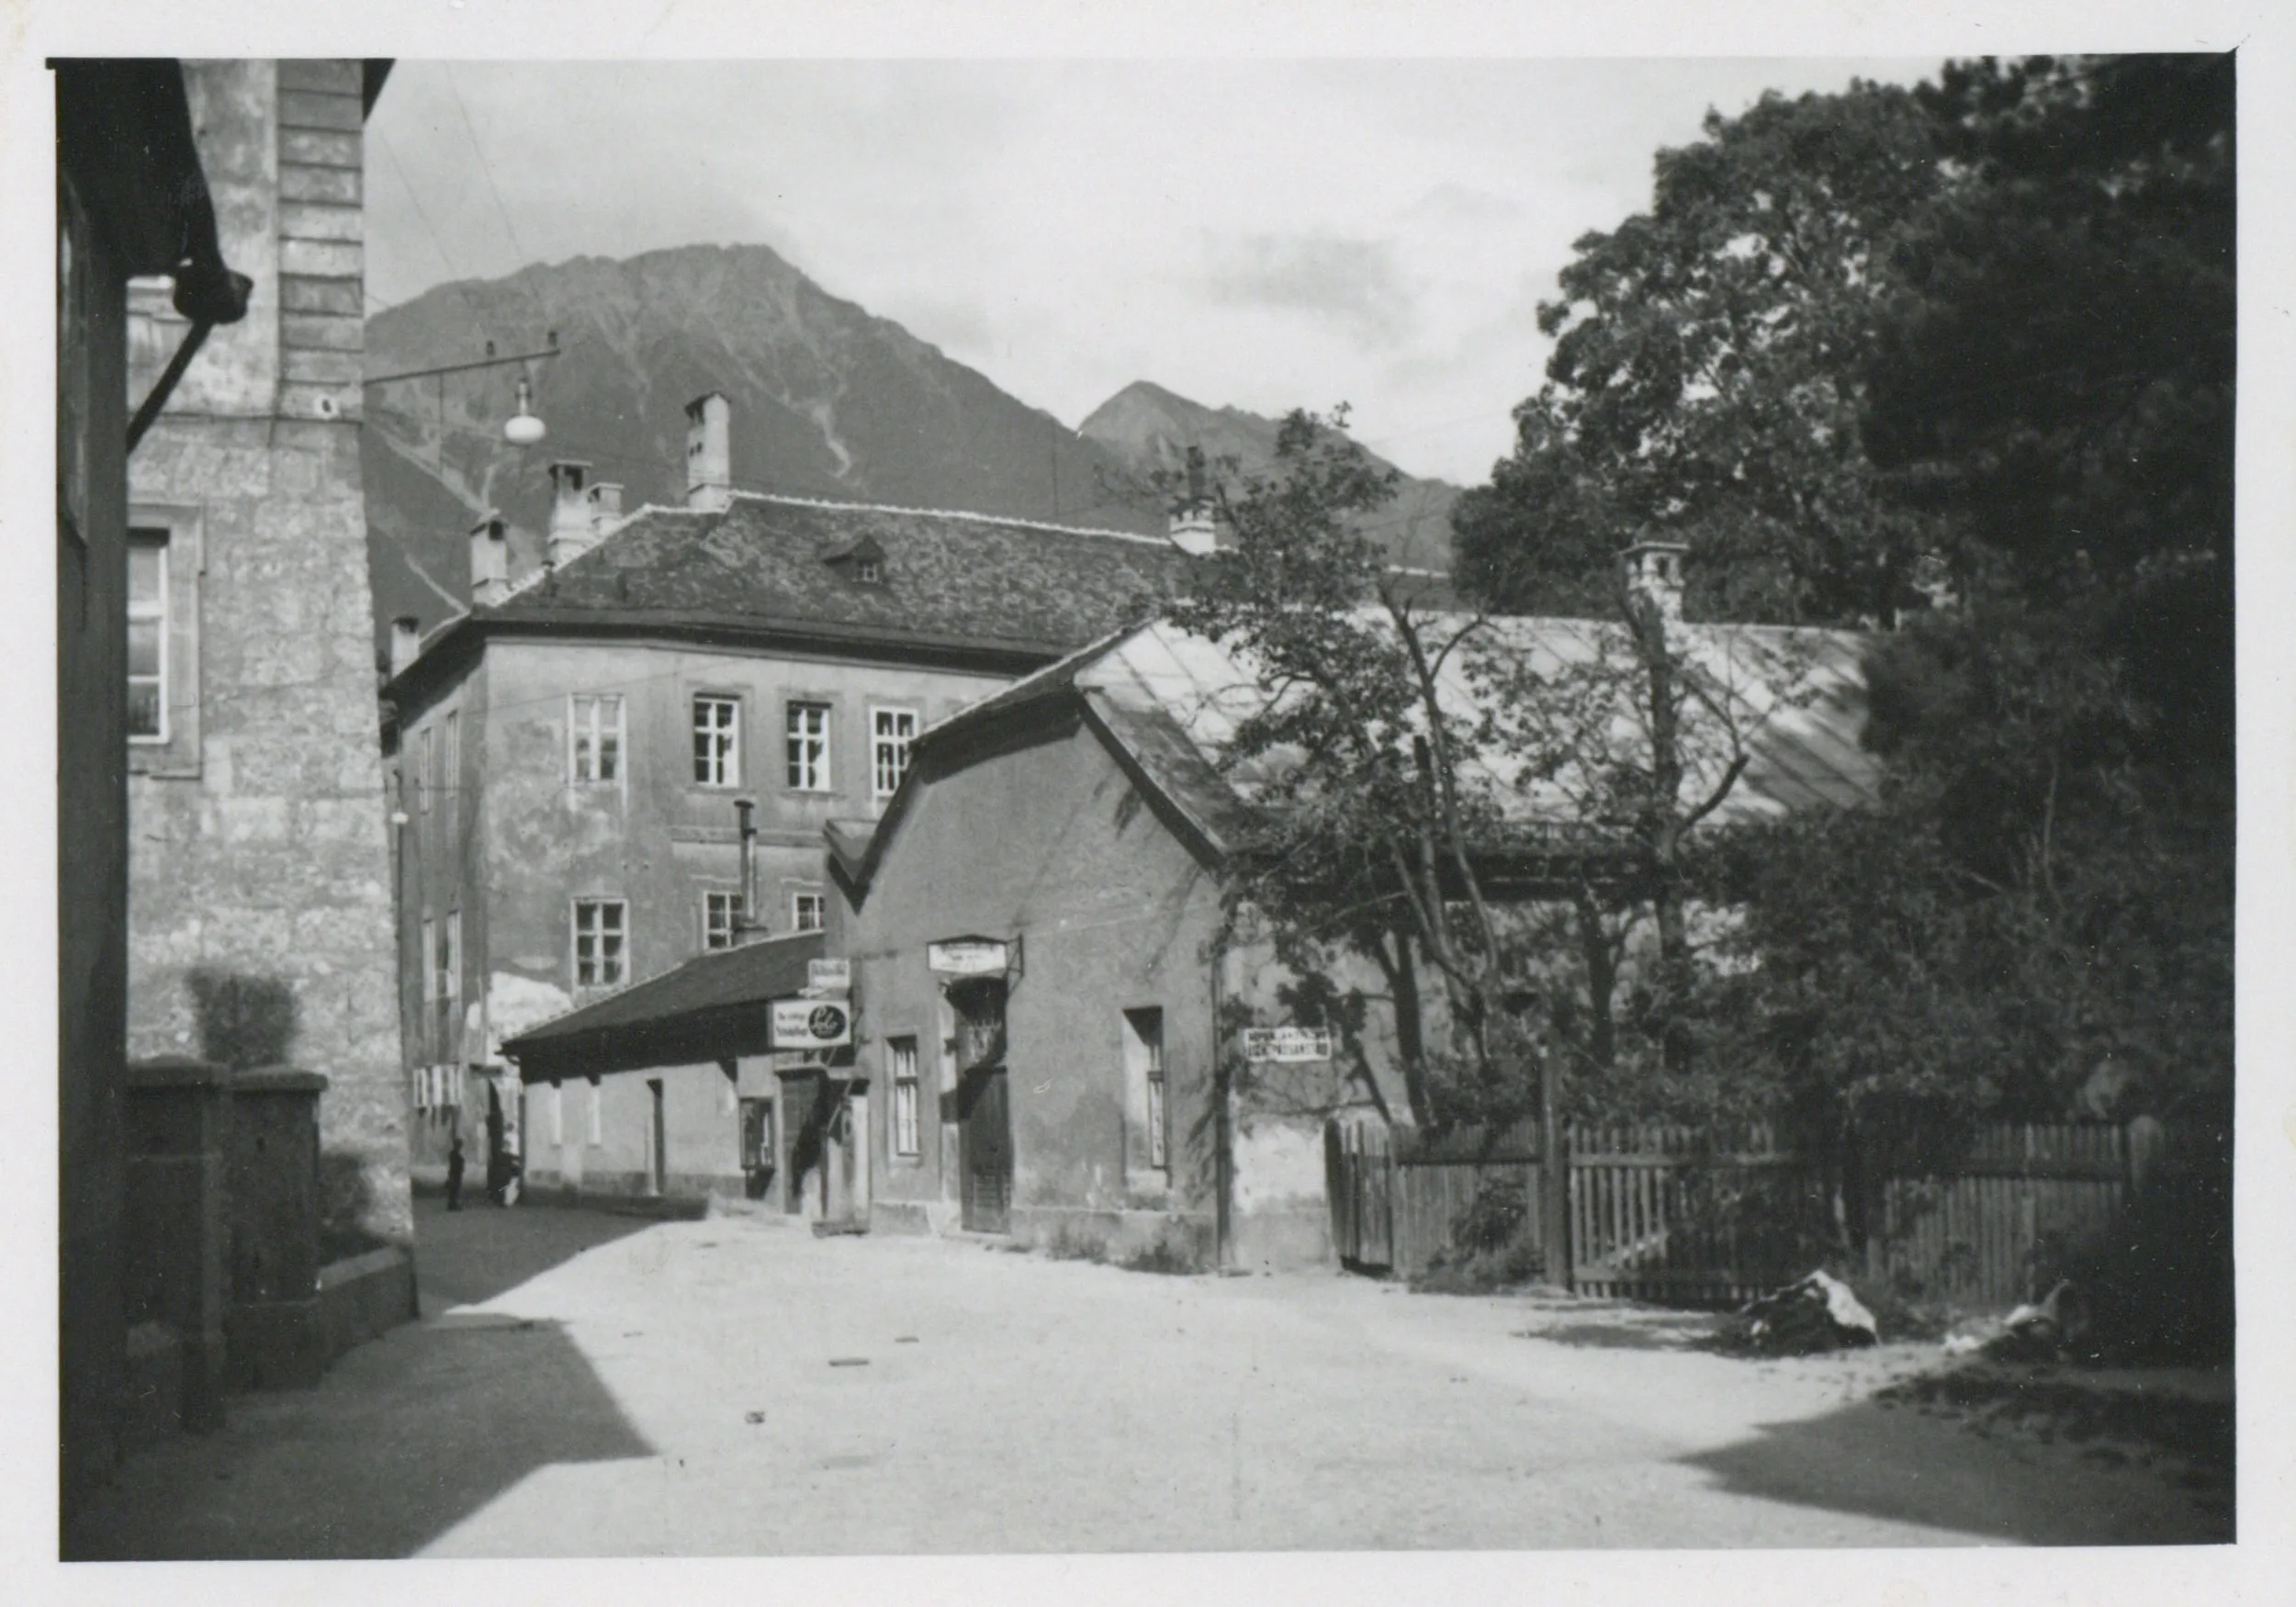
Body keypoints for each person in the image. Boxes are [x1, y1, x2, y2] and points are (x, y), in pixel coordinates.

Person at [445, 1130, 466, 1211]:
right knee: (454, 1190)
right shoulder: (456, 1156)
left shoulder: (453, 1154)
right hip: (456, 1174)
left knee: (454, 1191)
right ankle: (453, 1205)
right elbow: (458, 1165)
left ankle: (453, 1205)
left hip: (454, 1174)